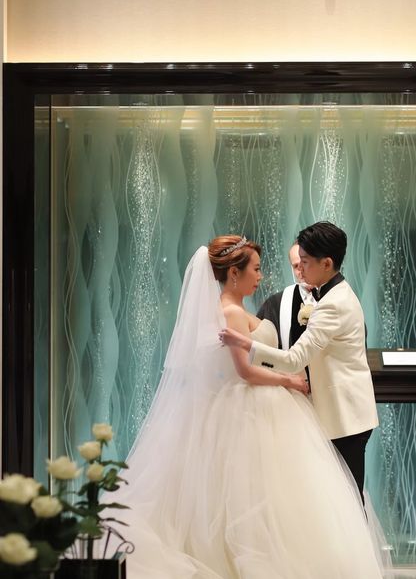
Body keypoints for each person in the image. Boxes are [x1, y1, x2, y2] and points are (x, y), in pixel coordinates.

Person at [111, 235, 390, 579]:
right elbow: (244, 371)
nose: (260, 276)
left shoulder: (242, 310)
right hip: (250, 407)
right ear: (234, 273)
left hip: (272, 405)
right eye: (255, 269)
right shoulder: (230, 312)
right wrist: (288, 381)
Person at [219, 222, 379, 500]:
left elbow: (294, 360)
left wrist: (245, 343)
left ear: (326, 263)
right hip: (337, 413)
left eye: (304, 262)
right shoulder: (331, 294)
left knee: (349, 502)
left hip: (344, 417)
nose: (300, 270)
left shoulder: (332, 304)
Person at [256, 243, 316, 350]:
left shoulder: (336, 295)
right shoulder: (275, 304)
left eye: (305, 262)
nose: (301, 270)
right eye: (296, 266)